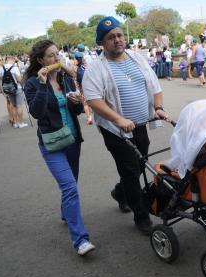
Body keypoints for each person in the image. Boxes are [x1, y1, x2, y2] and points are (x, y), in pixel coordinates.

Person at [82, 16, 170, 234]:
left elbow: (155, 85)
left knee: (139, 165)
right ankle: (141, 217)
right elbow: (93, 100)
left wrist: (158, 108)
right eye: (111, 37)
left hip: (140, 123)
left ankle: (120, 193)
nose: (117, 40)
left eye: (120, 35)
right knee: (131, 168)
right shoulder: (96, 68)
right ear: (101, 43)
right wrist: (118, 119)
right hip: (115, 130)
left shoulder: (136, 58)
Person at [23, 40, 95, 256]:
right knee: (70, 188)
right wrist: (44, 84)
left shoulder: (65, 78)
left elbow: (78, 109)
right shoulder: (33, 83)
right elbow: (36, 112)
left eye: (58, 55)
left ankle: (67, 212)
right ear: (40, 60)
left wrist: (76, 100)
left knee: (71, 184)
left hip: (72, 140)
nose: (57, 59)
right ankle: (81, 240)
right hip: (52, 144)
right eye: (51, 56)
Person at [0, 56, 28, 128]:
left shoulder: (1, 68)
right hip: (17, 88)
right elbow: (20, 80)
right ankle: (21, 123)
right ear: (11, 60)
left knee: (14, 106)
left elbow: (2, 79)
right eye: (14, 60)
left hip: (8, 89)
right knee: (19, 105)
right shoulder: (14, 68)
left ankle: (15, 123)